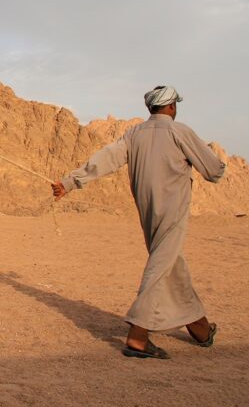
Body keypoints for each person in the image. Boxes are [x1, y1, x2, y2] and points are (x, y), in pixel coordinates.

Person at [51, 86, 225, 360]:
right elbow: (214, 171)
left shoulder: (134, 134)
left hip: (147, 212)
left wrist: (70, 182)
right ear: (171, 107)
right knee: (160, 267)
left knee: (170, 264)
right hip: (173, 211)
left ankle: (201, 329)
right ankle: (139, 336)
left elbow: (106, 159)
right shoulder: (180, 132)